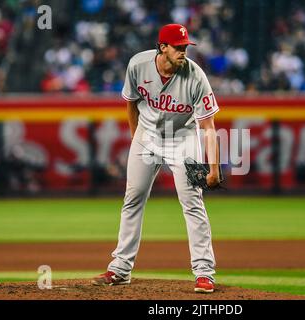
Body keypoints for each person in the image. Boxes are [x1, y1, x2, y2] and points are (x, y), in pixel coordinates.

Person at [91, 24, 221, 293]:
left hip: (183, 138)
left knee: (192, 202)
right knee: (133, 197)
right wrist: (135, 137)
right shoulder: (138, 64)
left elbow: (208, 127)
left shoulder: (196, 76)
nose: (184, 51)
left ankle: (204, 272)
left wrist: (213, 168)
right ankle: (120, 268)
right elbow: (130, 101)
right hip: (147, 135)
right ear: (163, 47)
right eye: (178, 47)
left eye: (186, 47)